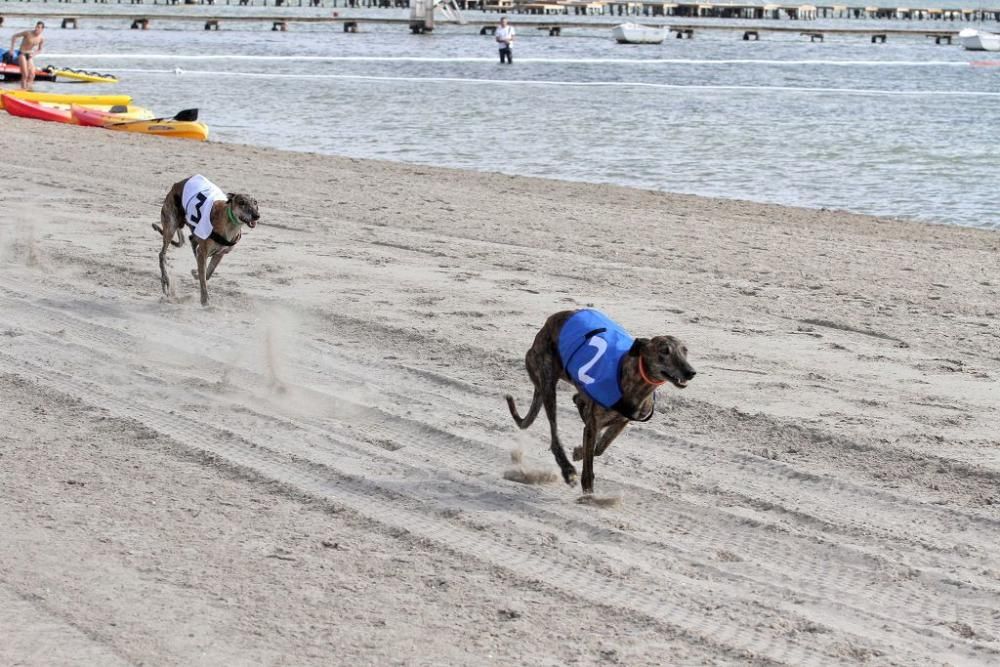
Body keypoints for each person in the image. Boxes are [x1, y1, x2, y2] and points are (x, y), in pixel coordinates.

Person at [9, 22, 45, 90]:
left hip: (30, 55)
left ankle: (28, 89)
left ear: (42, 29)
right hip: (22, 54)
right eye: (36, 27)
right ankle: (23, 89)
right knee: (25, 74)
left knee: (32, 75)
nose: (37, 28)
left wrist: (34, 54)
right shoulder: (28, 33)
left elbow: (39, 50)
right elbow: (14, 36)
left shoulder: (41, 38)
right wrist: (12, 49)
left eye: (39, 27)